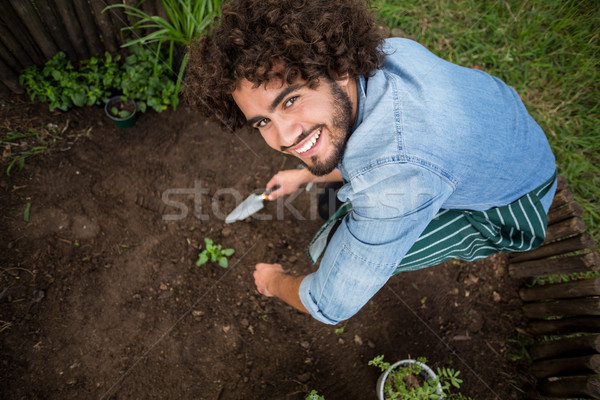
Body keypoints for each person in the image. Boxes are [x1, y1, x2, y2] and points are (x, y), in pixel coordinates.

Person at [185, 0, 557, 325]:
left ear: (339, 68)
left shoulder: (396, 179)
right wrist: (303, 175)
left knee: (334, 250)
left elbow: (328, 302)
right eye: (263, 121)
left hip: (516, 204)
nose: (283, 138)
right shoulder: (393, 51)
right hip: (504, 121)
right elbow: (378, 149)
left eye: (290, 100)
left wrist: (273, 280)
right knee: (346, 195)